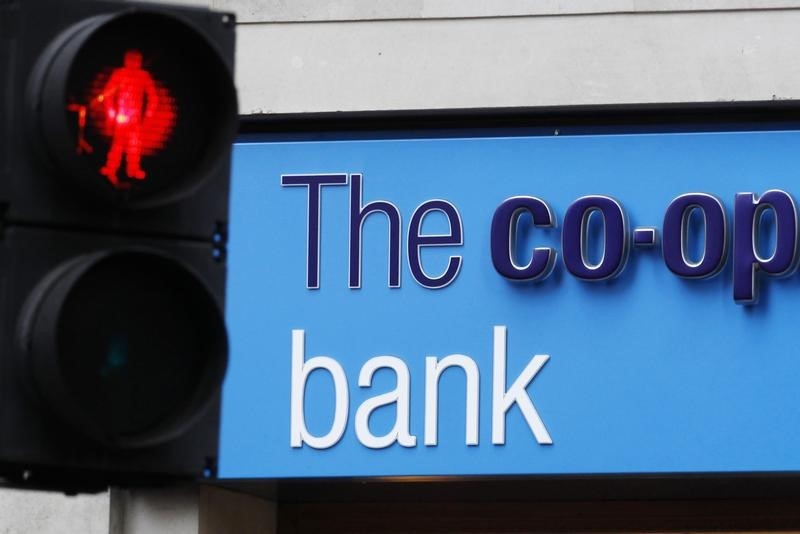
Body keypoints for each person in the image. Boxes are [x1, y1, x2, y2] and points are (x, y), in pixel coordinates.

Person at [97, 49, 158, 186]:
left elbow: (153, 97)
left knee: (134, 145)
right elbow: (107, 94)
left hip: (136, 118)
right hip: (122, 117)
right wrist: (111, 112)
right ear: (126, 60)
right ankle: (111, 168)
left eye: (136, 61)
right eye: (131, 60)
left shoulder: (143, 76)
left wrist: (148, 115)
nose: (133, 63)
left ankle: (133, 170)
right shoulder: (119, 74)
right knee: (117, 144)